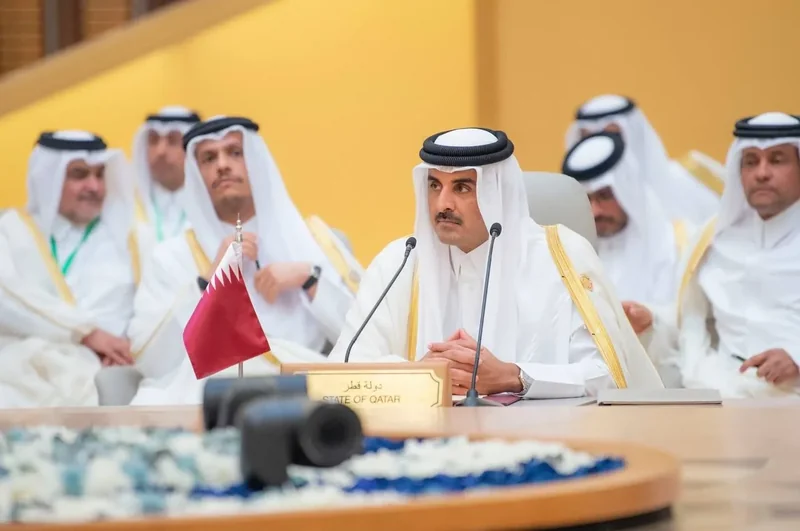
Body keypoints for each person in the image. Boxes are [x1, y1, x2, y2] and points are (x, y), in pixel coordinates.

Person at [329, 127, 663, 398]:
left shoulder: (562, 254)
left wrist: (514, 376)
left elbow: (607, 375)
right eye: (434, 185)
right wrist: (420, 376)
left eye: (462, 187)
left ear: (497, 193)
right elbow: (341, 373)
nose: (442, 204)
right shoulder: (400, 261)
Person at [128, 116, 363, 405]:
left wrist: (309, 279)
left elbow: (365, 339)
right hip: (214, 390)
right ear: (197, 174)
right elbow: (150, 359)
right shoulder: (172, 257)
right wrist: (210, 282)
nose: (222, 165)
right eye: (209, 158)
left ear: (256, 161)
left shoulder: (313, 240)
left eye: (235, 152)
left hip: (304, 387)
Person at [631, 112, 800, 397]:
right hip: (724, 393)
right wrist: (651, 321)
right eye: (751, 161)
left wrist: (796, 357)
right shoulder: (712, 239)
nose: (762, 173)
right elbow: (691, 323)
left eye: (777, 159)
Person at [0, 131, 140, 407]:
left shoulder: (126, 239)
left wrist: (117, 348)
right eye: (79, 174)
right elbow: (8, 302)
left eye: (100, 174)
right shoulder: (12, 230)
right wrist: (85, 332)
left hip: (100, 373)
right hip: (20, 367)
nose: (94, 186)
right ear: (48, 179)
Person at [561, 132, 686, 306]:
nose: (595, 212)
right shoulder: (568, 253)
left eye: (605, 196)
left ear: (627, 189)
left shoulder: (675, 245)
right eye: (586, 199)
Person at [566, 94, 720, 225]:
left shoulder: (692, 179)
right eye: (587, 138)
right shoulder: (576, 205)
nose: (601, 147)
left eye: (613, 134)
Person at [131, 106, 201, 257]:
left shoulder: (212, 207)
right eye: (153, 140)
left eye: (173, 141)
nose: (160, 151)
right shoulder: (127, 208)